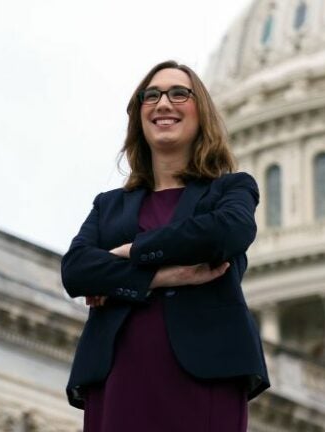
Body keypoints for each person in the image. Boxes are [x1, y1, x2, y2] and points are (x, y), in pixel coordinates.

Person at [61, 60, 270, 431]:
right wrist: (160, 277)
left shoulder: (231, 189)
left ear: (200, 111)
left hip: (205, 376)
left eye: (179, 94)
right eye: (151, 95)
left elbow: (226, 233)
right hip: (118, 376)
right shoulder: (109, 204)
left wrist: (133, 252)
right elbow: (76, 270)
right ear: (139, 115)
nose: (163, 104)